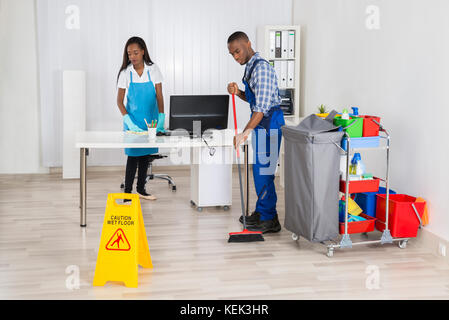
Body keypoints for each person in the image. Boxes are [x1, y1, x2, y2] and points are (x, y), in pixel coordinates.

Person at [227, 31, 285, 234]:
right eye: (232, 54)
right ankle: (262, 213)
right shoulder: (251, 68)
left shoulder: (261, 69)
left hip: (270, 123)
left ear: (248, 43)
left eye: (237, 51)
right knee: (260, 172)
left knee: (264, 172)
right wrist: (238, 92)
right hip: (262, 122)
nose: (235, 56)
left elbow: (260, 109)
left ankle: (270, 219)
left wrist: (244, 133)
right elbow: (255, 100)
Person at [116, 36, 166, 201]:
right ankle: (128, 193)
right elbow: (119, 101)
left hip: (150, 122)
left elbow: (159, 96)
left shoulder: (153, 69)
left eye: (136, 52)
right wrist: (128, 121)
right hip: (133, 123)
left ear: (143, 51)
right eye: (129, 54)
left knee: (145, 156)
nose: (132, 56)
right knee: (133, 156)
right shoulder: (126, 73)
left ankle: (141, 190)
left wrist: (161, 118)